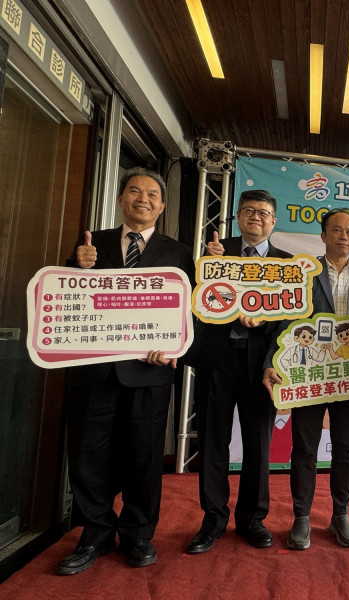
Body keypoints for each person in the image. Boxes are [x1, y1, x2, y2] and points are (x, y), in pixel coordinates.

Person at [58, 168, 194, 575]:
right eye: (134, 191)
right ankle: (95, 532)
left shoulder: (178, 252)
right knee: (88, 455)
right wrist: (77, 267)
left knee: (144, 456)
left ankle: (138, 533)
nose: (143, 199)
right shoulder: (91, 244)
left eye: (152, 194)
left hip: (150, 372)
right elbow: (63, 297)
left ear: (162, 206)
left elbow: (187, 310)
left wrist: (173, 348)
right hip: (94, 370)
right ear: (120, 199)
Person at [183, 190, 291, 555]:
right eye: (248, 211)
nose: (256, 217)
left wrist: (264, 322)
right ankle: (212, 520)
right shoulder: (216, 253)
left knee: (258, 444)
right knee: (212, 441)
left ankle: (252, 519)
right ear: (238, 216)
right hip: (217, 358)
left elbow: (290, 319)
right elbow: (192, 299)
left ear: (273, 221)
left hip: (261, 364)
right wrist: (205, 268)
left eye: (263, 212)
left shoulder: (286, 264)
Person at [263, 209, 349, 550]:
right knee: (304, 449)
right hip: (309, 374)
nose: (344, 236)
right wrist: (271, 361)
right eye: (337, 230)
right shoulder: (305, 272)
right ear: (324, 235)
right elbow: (285, 320)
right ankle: (301, 517)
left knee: (346, 450)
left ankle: (341, 514)